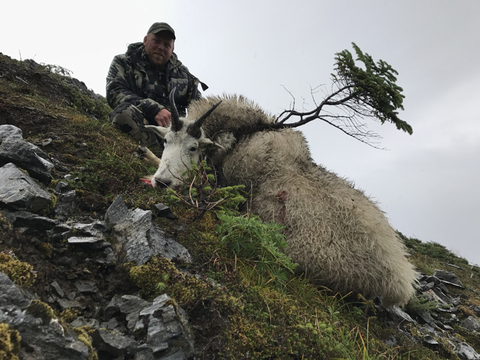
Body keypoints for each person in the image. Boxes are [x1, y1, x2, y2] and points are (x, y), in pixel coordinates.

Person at [106, 22, 206, 156]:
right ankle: (161, 157)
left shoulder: (184, 75)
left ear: (172, 49)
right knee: (122, 114)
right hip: (142, 124)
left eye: (166, 45)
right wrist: (153, 109)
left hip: (176, 134)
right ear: (145, 40)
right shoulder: (124, 62)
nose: (161, 48)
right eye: (156, 41)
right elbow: (115, 91)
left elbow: (199, 106)